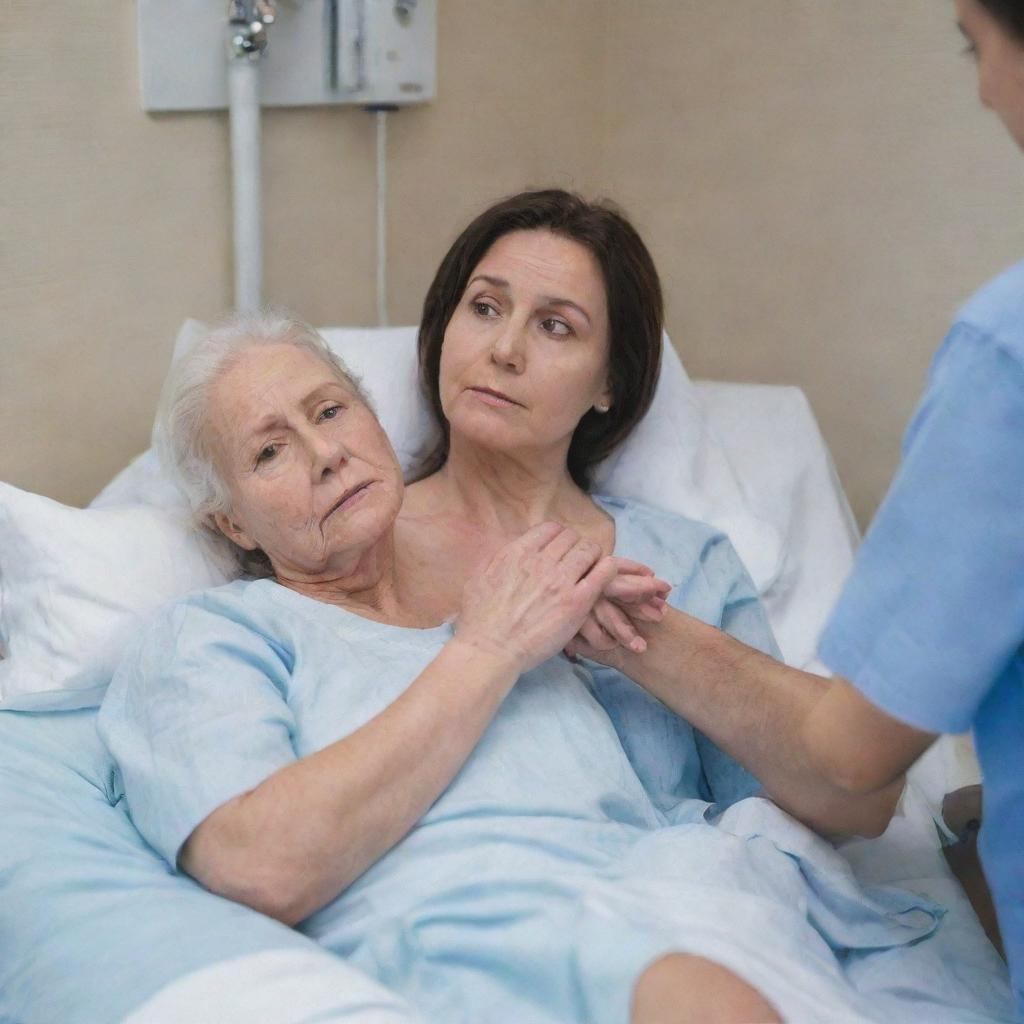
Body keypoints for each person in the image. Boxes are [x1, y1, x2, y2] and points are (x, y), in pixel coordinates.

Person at [99, 311, 963, 1024]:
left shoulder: (528, 608)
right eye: (269, 452)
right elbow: (262, 864)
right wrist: (488, 651)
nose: (324, 453)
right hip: (470, 937)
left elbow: (824, 802)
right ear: (234, 526)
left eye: (329, 412)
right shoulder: (210, 637)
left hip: (666, 903)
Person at [569, 0, 1024, 1015]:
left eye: (971, 43)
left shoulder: (1008, 359)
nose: (985, 86)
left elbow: (846, 774)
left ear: (614, 383)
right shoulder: (266, 603)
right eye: (480, 306)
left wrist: (621, 626)